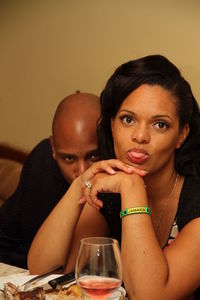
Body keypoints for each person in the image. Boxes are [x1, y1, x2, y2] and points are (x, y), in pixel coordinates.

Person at [28, 55, 200, 299]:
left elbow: (149, 296)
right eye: (128, 119)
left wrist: (132, 188)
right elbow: (43, 271)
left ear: (182, 134)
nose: (140, 136)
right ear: (112, 125)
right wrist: (81, 183)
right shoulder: (109, 186)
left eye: (160, 124)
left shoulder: (194, 204)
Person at [0, 92, 101, 269]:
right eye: (69, 159)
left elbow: (71, 271)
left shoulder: (111, 185)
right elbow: (5, 234)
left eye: (93, 155)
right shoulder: (42, 158)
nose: (83, 172)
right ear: (53, 148)